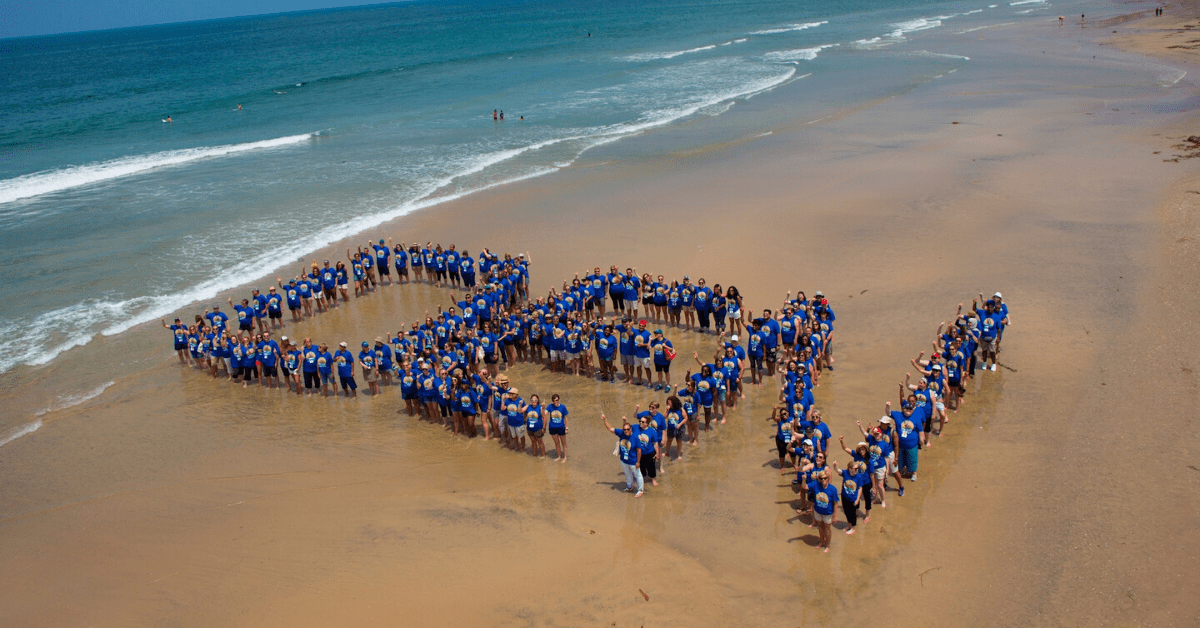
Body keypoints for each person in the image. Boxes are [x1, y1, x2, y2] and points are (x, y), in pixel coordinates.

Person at [601, 413, 643, 497]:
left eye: (628, 429)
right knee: (627, 474)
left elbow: (639, 450)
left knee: (638, 475)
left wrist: (638, 462)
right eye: (625, 429)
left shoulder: (635, 437)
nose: (626, 431)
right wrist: (604, 420)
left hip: (633, 461)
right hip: (623, 460)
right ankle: (630, 487)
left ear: (631, 429)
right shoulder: (621, 433)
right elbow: (610, 428)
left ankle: (640, 490)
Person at [807, 470, 839, 553]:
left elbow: (835, 504)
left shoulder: (833, 489)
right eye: (821, 478)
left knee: (827, 529)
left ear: (828, 478)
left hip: (828, 514)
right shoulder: (816, 485)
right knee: (820, 528)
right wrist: (804, 479)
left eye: (825, 478)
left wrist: (835, 516)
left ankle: (827, 545)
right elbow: (804, 487)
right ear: (819, 479)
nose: (823, 480)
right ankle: (821, 541)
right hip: (818, 511)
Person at [633, 412, 660, 487]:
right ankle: (643, 479)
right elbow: (627, 428)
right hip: (639, 453)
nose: (640, 423)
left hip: (650, 452)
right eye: (640, 421)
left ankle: (653, 479)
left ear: (647, 423)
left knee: (651, 467)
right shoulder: (636, 427)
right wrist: (624, 421)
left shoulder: (652, 431)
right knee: (641, 467)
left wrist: (657, 453)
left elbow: (655, 443)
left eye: (642, 422)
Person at [546, 394, 569, 461]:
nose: (555, 402)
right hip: (552, 428)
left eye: (556, 400)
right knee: (556, 443)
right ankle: (559, 456)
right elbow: (545, 413)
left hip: (561, 427)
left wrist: (567, 428)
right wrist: (542, 407)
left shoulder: (562, 407)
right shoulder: (550, 406)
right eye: (554, 401)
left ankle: (565, 457)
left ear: (558, 399)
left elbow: (565, 418)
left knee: (563, 443)